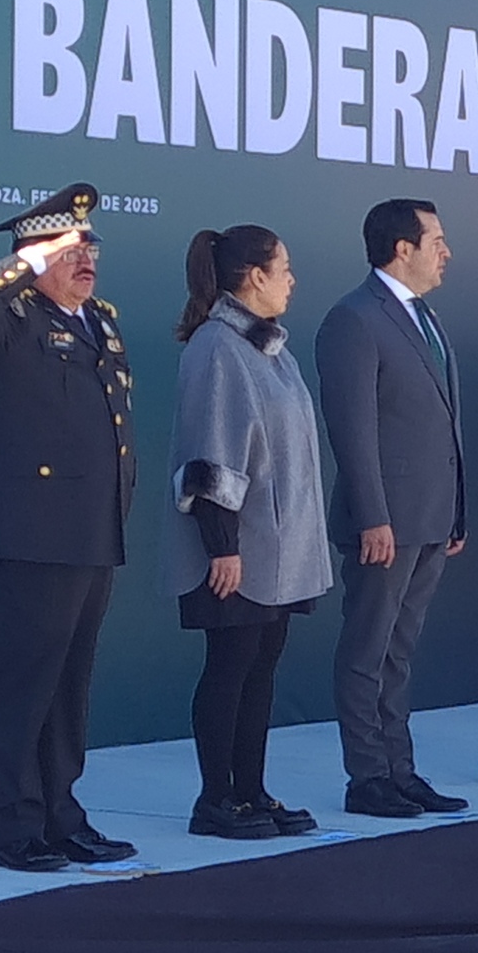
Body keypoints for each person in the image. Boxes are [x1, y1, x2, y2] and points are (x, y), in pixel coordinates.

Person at [0, 183, 138, 871]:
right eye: (68, 248)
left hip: (88, 535)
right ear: (32, 256)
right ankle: (14, 830)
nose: (86, 257)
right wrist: (26, 264)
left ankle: (63, 815)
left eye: (89, 246)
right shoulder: (9, 320)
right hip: (23, 537)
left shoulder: (99, 322)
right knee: (24, 686)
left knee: (68, 690)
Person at [165, 225, 330, 839]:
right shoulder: (215, 346)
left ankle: (251, 791)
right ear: (254, 276)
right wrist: (222, 547)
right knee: (230, 665)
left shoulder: (269, 349)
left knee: (261, 666)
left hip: (276, 551)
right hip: (235, 550)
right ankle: (215, 801)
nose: (292, 279)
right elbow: (210, 452)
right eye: (283, 267)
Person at [314, 199, 470, 819]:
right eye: (436, 238)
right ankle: (367, 777)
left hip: (431, 515)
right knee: (367, 648)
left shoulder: (423, 316)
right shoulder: (354, 319)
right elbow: (352, 430)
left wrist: (455, 511)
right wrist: (371, 514)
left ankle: (400, 769)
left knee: (400, 650)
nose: (446, 250)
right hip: (386, 521)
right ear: (401, 248)